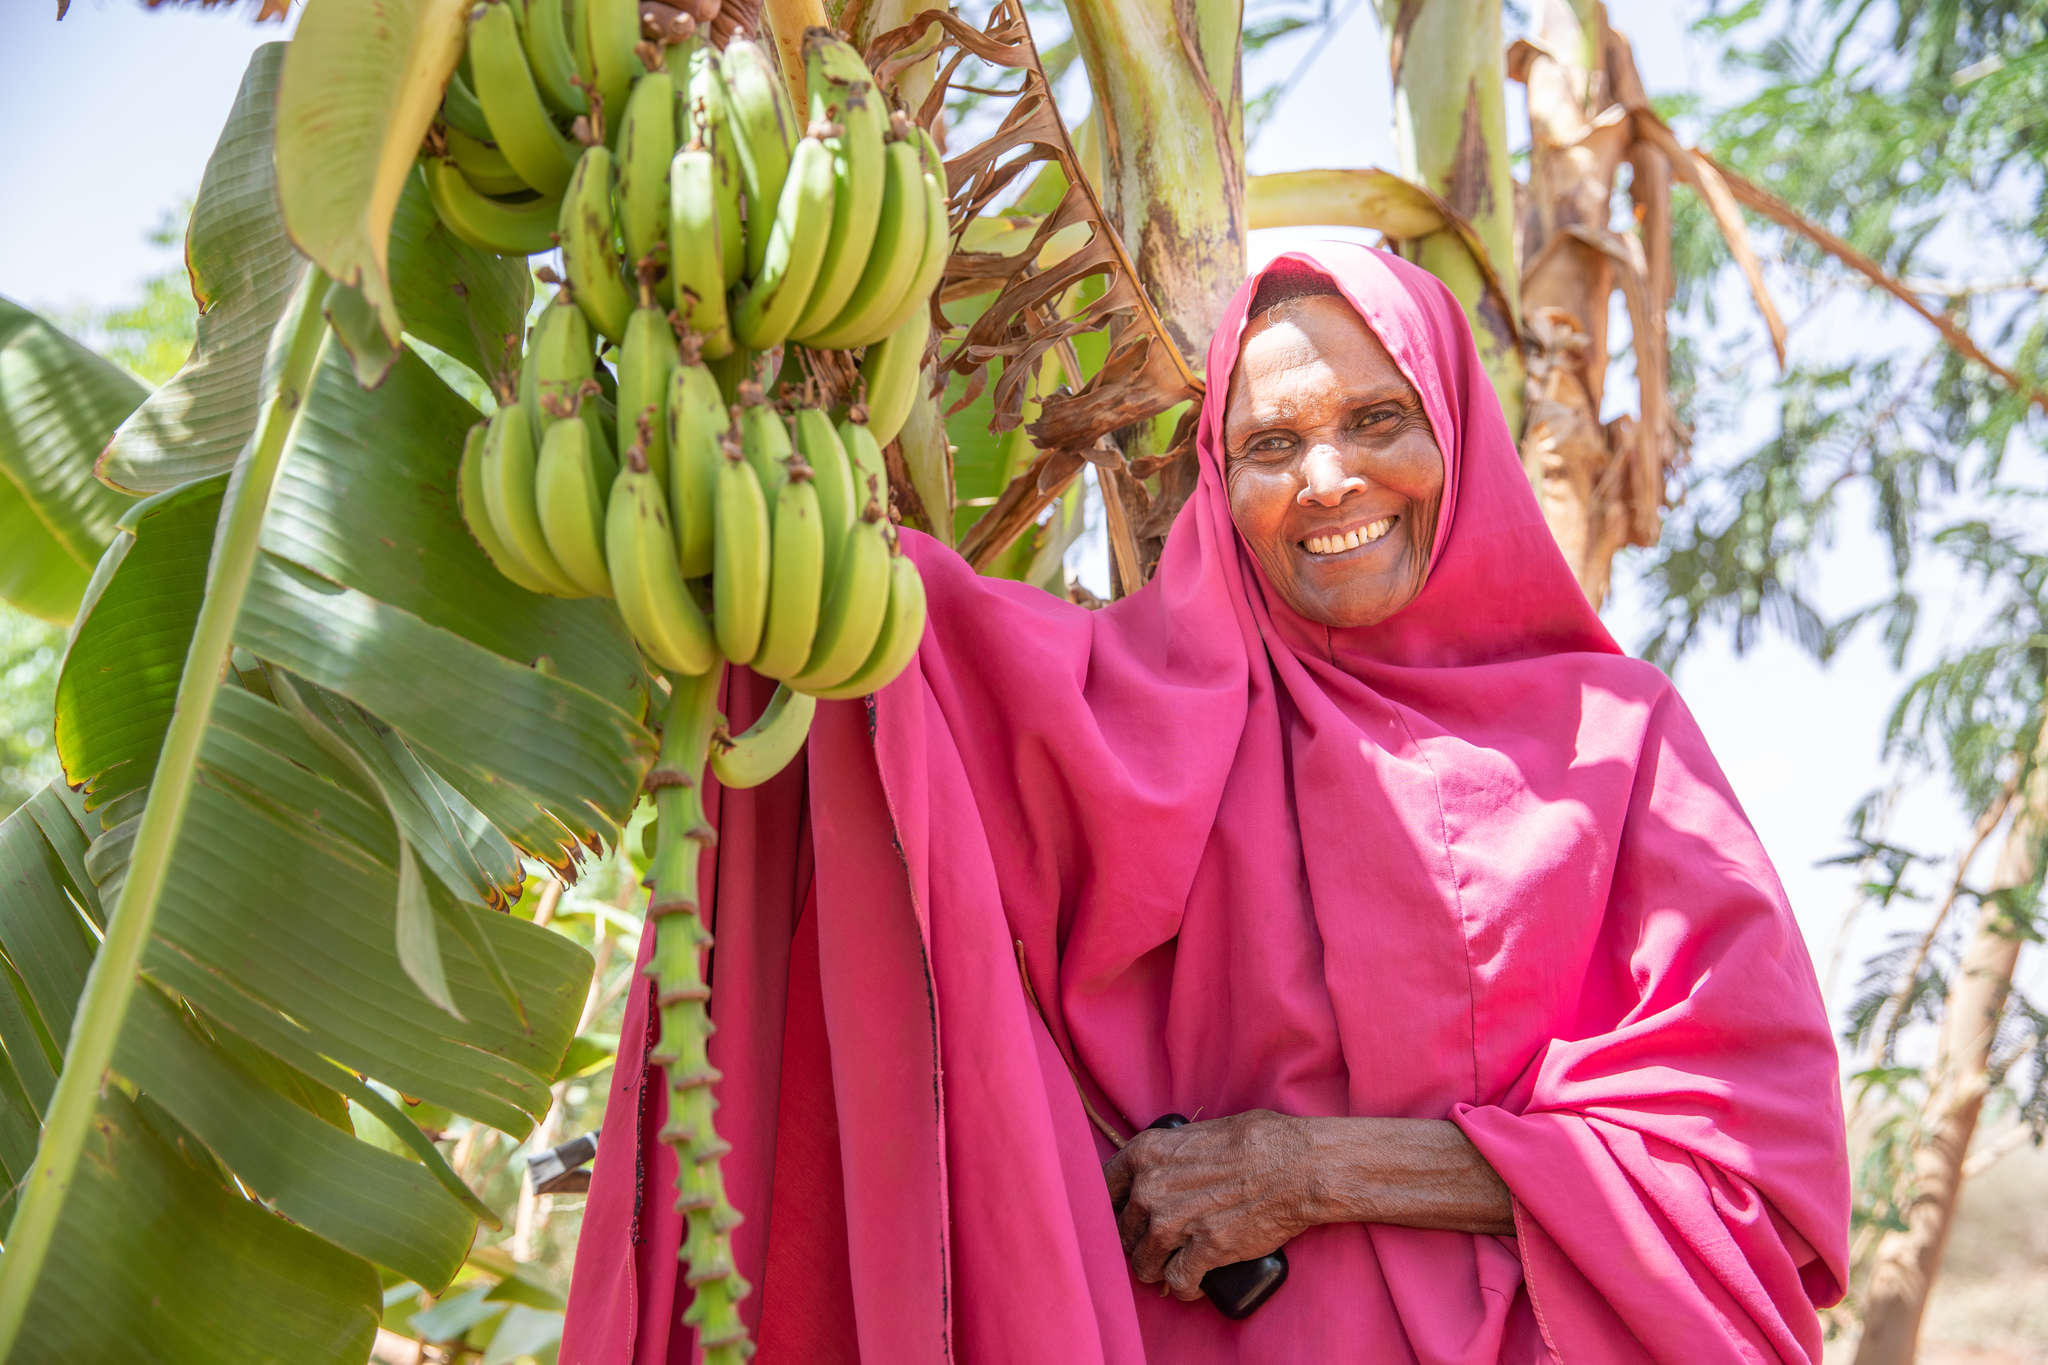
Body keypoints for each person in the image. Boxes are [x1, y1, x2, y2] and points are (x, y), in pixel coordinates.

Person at [561, 242, 1851, 1363]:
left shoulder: (1617, 745)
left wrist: (1312, 1172)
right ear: (1219, 488)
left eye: (1378, 419)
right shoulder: (1144, 711)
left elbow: (1748, 1175)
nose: (1329, 480)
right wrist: (744, 452)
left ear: (1458, 430)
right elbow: (895, 666)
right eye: (1271, 446)